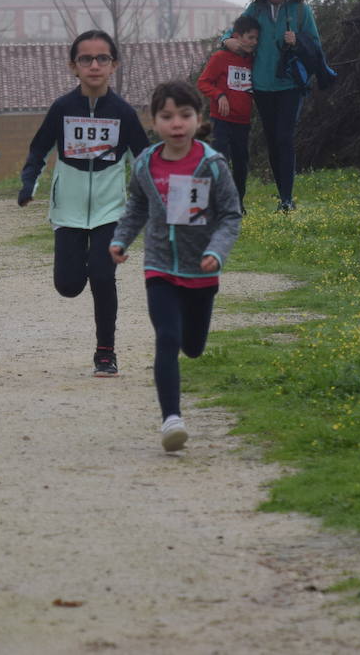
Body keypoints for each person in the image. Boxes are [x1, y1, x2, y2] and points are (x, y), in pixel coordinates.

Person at [110, 80, 241, 452]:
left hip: (202, 271)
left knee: (193, 346)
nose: (177, 124)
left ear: (198, 119)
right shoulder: (145, 164)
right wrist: (120, 240)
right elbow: (136, 207)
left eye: (185, 115)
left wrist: (217, 251)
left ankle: (188, 341)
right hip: (160, 268)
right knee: (166, 338)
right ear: (154, 121)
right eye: (167, 117)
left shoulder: (212, 165)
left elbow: (231, 215)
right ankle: (171, 419)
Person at [18, 30, 151, 376]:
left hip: (110, 209)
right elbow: (38, 149)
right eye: (86, 59)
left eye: (102, 58)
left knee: (103, 277)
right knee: (69, 285)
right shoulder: (63, 108)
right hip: (69, 210)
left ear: (114, 65)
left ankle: (105, 353)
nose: (94, 65)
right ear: (73, 67)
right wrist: (28, 183)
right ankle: (84, 265)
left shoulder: (122, 112)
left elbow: (144, 157)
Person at [236, 0, 324, 212]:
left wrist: (297, 39)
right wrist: (226, 43)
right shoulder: (256, 10)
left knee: (284, 137)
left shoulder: (299, 11)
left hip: (290, 85)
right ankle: (281, 193)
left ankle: (287, 198)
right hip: (263, 85)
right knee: (273, 140)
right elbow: (235, 33)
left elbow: (316, 45)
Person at [196, 14, 259, 203]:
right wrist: (219, 95)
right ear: (237, 37)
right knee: (220, 163)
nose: (254, 43)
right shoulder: (220, 58)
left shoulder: (253, 61)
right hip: (221, 121)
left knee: (241, 164)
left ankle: (238, 203)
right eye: (250, 38)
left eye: (257, 39)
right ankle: (218, 201)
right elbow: (203, 82)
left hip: (242, 122)